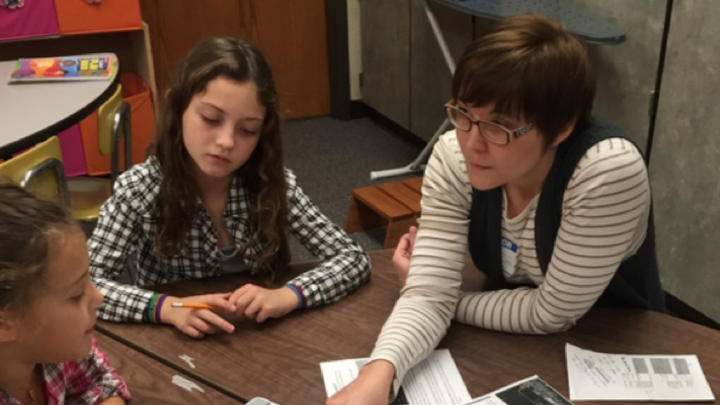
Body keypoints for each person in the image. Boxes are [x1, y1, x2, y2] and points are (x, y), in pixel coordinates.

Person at [328, 13, 665, 405]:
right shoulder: (454, 154)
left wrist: (441, 297)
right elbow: (426, 296)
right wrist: (378, 373)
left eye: (499, 126)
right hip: (506, 335)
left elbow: (549, 314)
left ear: (560, 128)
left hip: (607, 344)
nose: (472, 143)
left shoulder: (605, 171)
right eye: (465, 114)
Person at [88, 37, 371, 338]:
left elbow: (353, 258)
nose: (226, 142)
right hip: (176, 340)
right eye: (211, 119)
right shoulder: (139, 190)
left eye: (248, 130)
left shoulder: (272, 184)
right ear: (177, 106)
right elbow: (84, 287)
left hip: (262, 336)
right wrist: (165, 307)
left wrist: (289, 295)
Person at [0, 181, 131, 405]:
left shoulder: (57, 348)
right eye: (77, 294)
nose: (98, 297)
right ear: (4, 323)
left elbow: (100, 382)